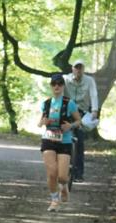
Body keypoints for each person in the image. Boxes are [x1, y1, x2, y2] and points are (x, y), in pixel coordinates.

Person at [39, 72, 82, 212]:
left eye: (59, 84)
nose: (56, 86)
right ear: (51, 86)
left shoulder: (69, 103)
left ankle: (63, 187)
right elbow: (40, 122)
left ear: (63, 86)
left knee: (62, 176)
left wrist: (70, 126)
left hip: (65, 140)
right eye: (54, 84)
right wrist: (43, 122)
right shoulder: (46, 103)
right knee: (52, 173)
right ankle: (54, 200)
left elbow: (78, 121)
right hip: (48, 139)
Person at [64, 60, 99, 182]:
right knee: (58, 137)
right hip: (67, 111)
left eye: (80, 68)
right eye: (76, 67)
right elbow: (56, 88)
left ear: (83, 69)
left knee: (79, 142)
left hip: (81, 113)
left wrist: (94, 110)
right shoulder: (65, 79)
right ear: (72, 69)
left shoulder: (89, 80)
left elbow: (94, 94)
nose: (78, 70)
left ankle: (79, 173)